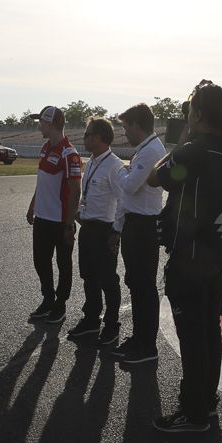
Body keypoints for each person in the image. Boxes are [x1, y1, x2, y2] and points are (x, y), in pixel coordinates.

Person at [149, 81, 222, 433]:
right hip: (217, 254)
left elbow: (153, 178)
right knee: (209, 329)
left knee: (192, 335)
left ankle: (193, 413)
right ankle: (207, 399)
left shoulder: (194, 151)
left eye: (189, 111)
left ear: (200, 115)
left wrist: (181, 140)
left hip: (188, 258)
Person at [106, 103, 166, 365]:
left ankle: (147, 345)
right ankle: (140, 339)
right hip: (135, 224)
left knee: (143, 287)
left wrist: (119, 169)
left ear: (137, 125)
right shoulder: (145, 150)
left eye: (126, 127)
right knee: (137, 284)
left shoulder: (151, 151)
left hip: (143, 226)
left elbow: (129, 187)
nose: (124, 134)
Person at [67, 116, 123, 347]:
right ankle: (91, 319)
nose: (84, 137)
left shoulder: (115, 165)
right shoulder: (90, 162)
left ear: (99, 137)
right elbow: (87, 195)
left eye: (88, 134)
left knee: (108, 279)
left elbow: (124, 200)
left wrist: (116, 232)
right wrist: (79, 213)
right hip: (88, 227)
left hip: (106, 230)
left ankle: (112, 325)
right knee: (88, 276)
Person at [25, 105, 81, 324]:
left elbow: (75, 189)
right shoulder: (45, 148)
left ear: (52, 124)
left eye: (41, 122)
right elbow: (42, 182)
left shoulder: (70, 153)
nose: (39, 126)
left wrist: (69, 224)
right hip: (42, 217)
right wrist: (32, 206)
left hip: (60, 221)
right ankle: (47, 299)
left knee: (63, 263)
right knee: (40, 261)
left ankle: (60, 304)